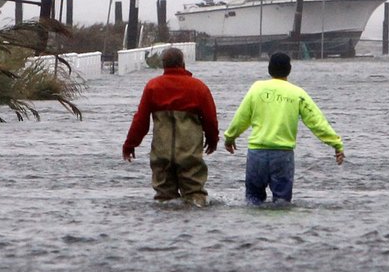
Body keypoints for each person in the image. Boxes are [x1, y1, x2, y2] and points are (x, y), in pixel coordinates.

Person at [223, 52, 345, 205]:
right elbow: (317, 122)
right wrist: (336, 143)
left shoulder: (257, 88)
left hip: (256, 154)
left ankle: (253, 228)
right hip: (282, 155)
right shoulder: (297, 94)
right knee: (282, 203)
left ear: (269, 69)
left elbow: (241, 118)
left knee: (252, 202)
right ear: (289, 69)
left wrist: (230, 138)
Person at [122, 46, 219, 207]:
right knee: (195, 197)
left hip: (162, 154)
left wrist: (130, 144)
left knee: (164, 200)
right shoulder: (198, 87)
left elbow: (141, 120)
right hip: (189, 154)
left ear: (163, 65)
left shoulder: (153, 87)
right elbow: (210, 119)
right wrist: (212, 139)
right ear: (183, 63)